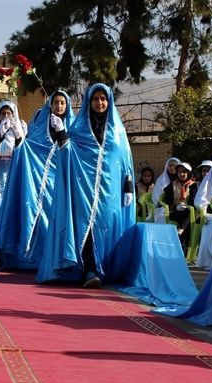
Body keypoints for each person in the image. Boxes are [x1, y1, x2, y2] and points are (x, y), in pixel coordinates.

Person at [36, 83, 135, 288]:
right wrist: (62, 133)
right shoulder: (79, 129)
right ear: (89, 102)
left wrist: (128, 186)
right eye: (95, 99)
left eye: (103, 99)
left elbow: (126, 161)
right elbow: (67, 153)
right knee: (86, 227)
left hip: (111, 191)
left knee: (107, 226)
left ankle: (106, 268)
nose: (100, 103)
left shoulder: (118, 131)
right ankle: (89, 270)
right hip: (84, 189)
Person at [0, 90, 75, 270]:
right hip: (39, 181)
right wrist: (19, 138)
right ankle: (34, 259)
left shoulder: (74, 126)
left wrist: (62, 134)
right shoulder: (40, 124)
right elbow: (29, 147)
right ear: (50, 104)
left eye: (62, 103)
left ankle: (58, 260)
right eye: (55, 102)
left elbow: (74, 154)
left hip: (63, 182)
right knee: (36, 216)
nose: (59, 106)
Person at [0, 100, 26, 233]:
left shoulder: (17, 135)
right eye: (3, 113)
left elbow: (23, 156)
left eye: (9, 113)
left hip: (11, 178)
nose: (6, 116)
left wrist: (19, 137)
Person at [163, 162, 197, 252]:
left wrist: (187, 205)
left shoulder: (193, 185)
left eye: (184, 172)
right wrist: (175, 207)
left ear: (189, 173)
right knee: (186, 217)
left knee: (188, 212)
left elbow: (194, 202)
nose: (181, 174)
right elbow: (167, 202)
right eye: (179, 172)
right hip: (175, 212)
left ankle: (180, 232)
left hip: (190, 212)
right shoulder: (172, 185)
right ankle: (183, 246)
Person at [152, 157, 180, 223]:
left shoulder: (181, 179)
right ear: (167, 166)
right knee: (162, 214)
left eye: (174, 166)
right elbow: (156, 196)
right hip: (163, 206)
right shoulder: (161, 180)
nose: (172, 168)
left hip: (179, 205)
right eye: (170, 165)